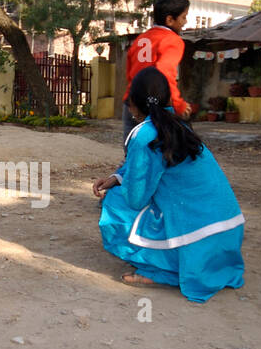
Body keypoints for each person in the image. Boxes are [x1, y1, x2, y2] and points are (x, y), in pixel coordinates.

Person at [93, 66, 245, 302]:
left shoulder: (143, 135)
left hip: (198, 245)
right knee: (125, 192)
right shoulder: (177, 126)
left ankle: (163, 270)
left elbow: (136, 198)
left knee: (114, 202)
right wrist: (118, 176)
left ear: (133, 102)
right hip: (226, 237)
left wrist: (117, 186)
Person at [124, 0, 192, 139]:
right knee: (162, 151)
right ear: (170, 20)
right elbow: (165, 74)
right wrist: (178, 104)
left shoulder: (141, 39)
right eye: (184, 17)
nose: (185, 22)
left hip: (132, 102)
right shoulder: (173, 40)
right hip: (155, 105)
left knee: (132, 149)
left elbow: (130, 73)